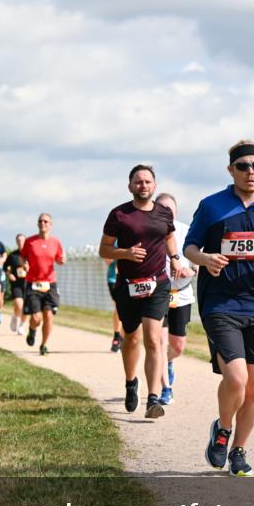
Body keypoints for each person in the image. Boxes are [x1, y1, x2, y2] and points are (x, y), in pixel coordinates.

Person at [184, 140, 254, 476]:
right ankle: (222, 428)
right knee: (236, 378)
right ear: (230, 170)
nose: (251, 172)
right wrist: (205, 258)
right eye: (243, 166)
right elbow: (189, 247)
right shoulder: (212, 206)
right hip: (221, 301)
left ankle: (239, 451)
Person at [99, 164, 180, 419]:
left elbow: (169, 237)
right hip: (128, 285)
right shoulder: (119, 215)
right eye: (138, 181)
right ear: (130, 186)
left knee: (154, 339)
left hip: (158, 283)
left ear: (154, 186)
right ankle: (131, 382)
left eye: (147, 181)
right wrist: (125, 253)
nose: (143, 185)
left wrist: (175, 258)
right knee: (131, 339)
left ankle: (153, 399)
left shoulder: (164, 213)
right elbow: (104, 250)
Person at [156, 193, 197, 405]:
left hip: (181, 295)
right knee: (161, 343)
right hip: (158, 294)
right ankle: (165, 389)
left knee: (177, 346)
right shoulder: (149, 232)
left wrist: (191, 271)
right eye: (161, 209)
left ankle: (169, 362)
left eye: (169, 210)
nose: (165, 213)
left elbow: (197, 263)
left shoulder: (188, 231)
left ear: (176, 212)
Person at [21, 213, 65, 356]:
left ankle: (44, 344)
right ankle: (32, 331)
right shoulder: (30, 242)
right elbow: (22, 258)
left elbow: (59, 259)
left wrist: (62, 260)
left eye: (46, 221)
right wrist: (24, 264)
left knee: (49, 315)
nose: (43, 223)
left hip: (50, 283)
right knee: (36, 318)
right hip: (33, 283)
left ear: (50, 225)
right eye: (40, 221)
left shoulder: (56, 242)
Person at [3, 233, 29, 335]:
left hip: (28, 284)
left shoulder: (30, 254)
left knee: (26, 308)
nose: (20, 242)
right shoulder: (12, 255)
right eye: (18, 240)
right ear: (16, 242)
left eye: (22, 240)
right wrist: (9, 275)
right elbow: (5, 267)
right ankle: (15, 316)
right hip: (16, 284)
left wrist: (28, 268)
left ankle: (21, 325)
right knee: (19, 305)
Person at [105, 254, 123, 353]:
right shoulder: (114, 239)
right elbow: (107, 260)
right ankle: (117, 337)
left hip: (131, 279)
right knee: (119, 306)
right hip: (114, 279)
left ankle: (125, 337)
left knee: (129, 308)